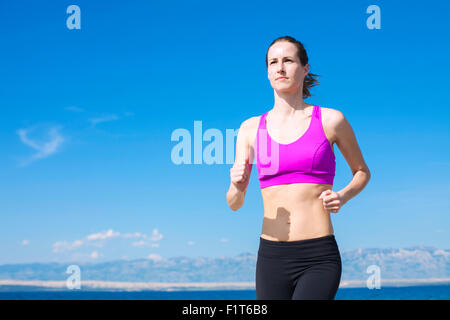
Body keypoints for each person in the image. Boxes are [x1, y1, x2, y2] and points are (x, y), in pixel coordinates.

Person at [226, 36, 371, 300]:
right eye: (273, 62)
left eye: (288, 60)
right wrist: (238, 185)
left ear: (304, 68)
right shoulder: (249, 129)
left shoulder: (331, 120)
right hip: (270, 257)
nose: (280, 68)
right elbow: (234, 203)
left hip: (318, 256)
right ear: (268, 72)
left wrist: (343, 196)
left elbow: (362, 172)